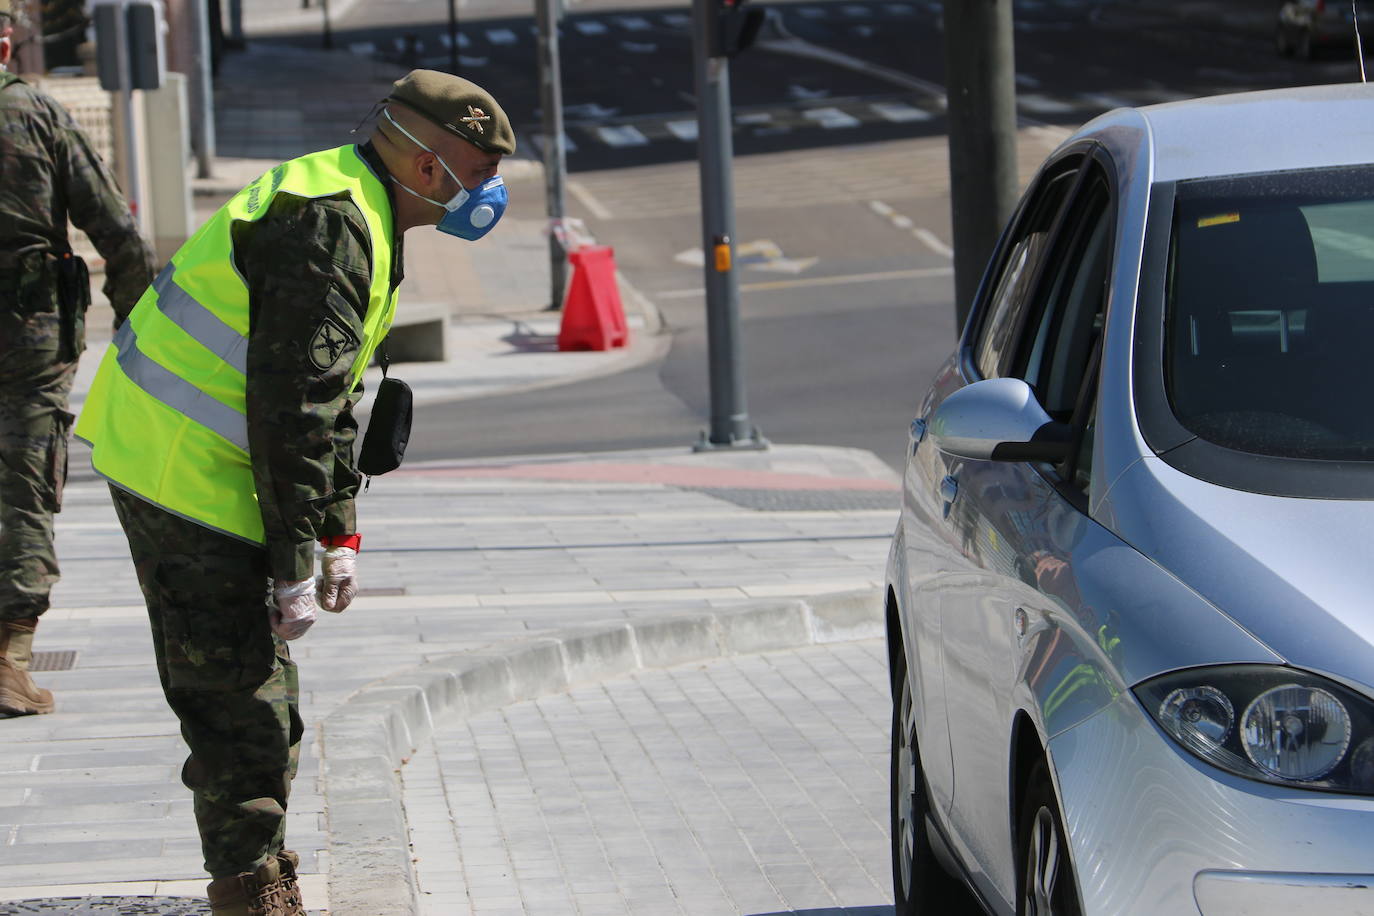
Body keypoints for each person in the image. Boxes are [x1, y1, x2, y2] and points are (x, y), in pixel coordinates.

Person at [74, 70, 514, 916]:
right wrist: (294, 561)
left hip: (215, 467)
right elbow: (291, 418)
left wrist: (338, 534)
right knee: (242, 705)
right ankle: (251, 893)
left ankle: (261, 873)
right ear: (426, 167)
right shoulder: (332, 227)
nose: (487, 191)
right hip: (181, 472)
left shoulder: (361, 210)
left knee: (258, 699)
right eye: (479, 170)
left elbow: (328, 404)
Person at [0, 0, 155, 718]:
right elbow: (115, 226)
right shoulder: (35, 114)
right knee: (25, 484)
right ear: (6, 42)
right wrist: (137, 327)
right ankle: (9, 660)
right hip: (28, 337)